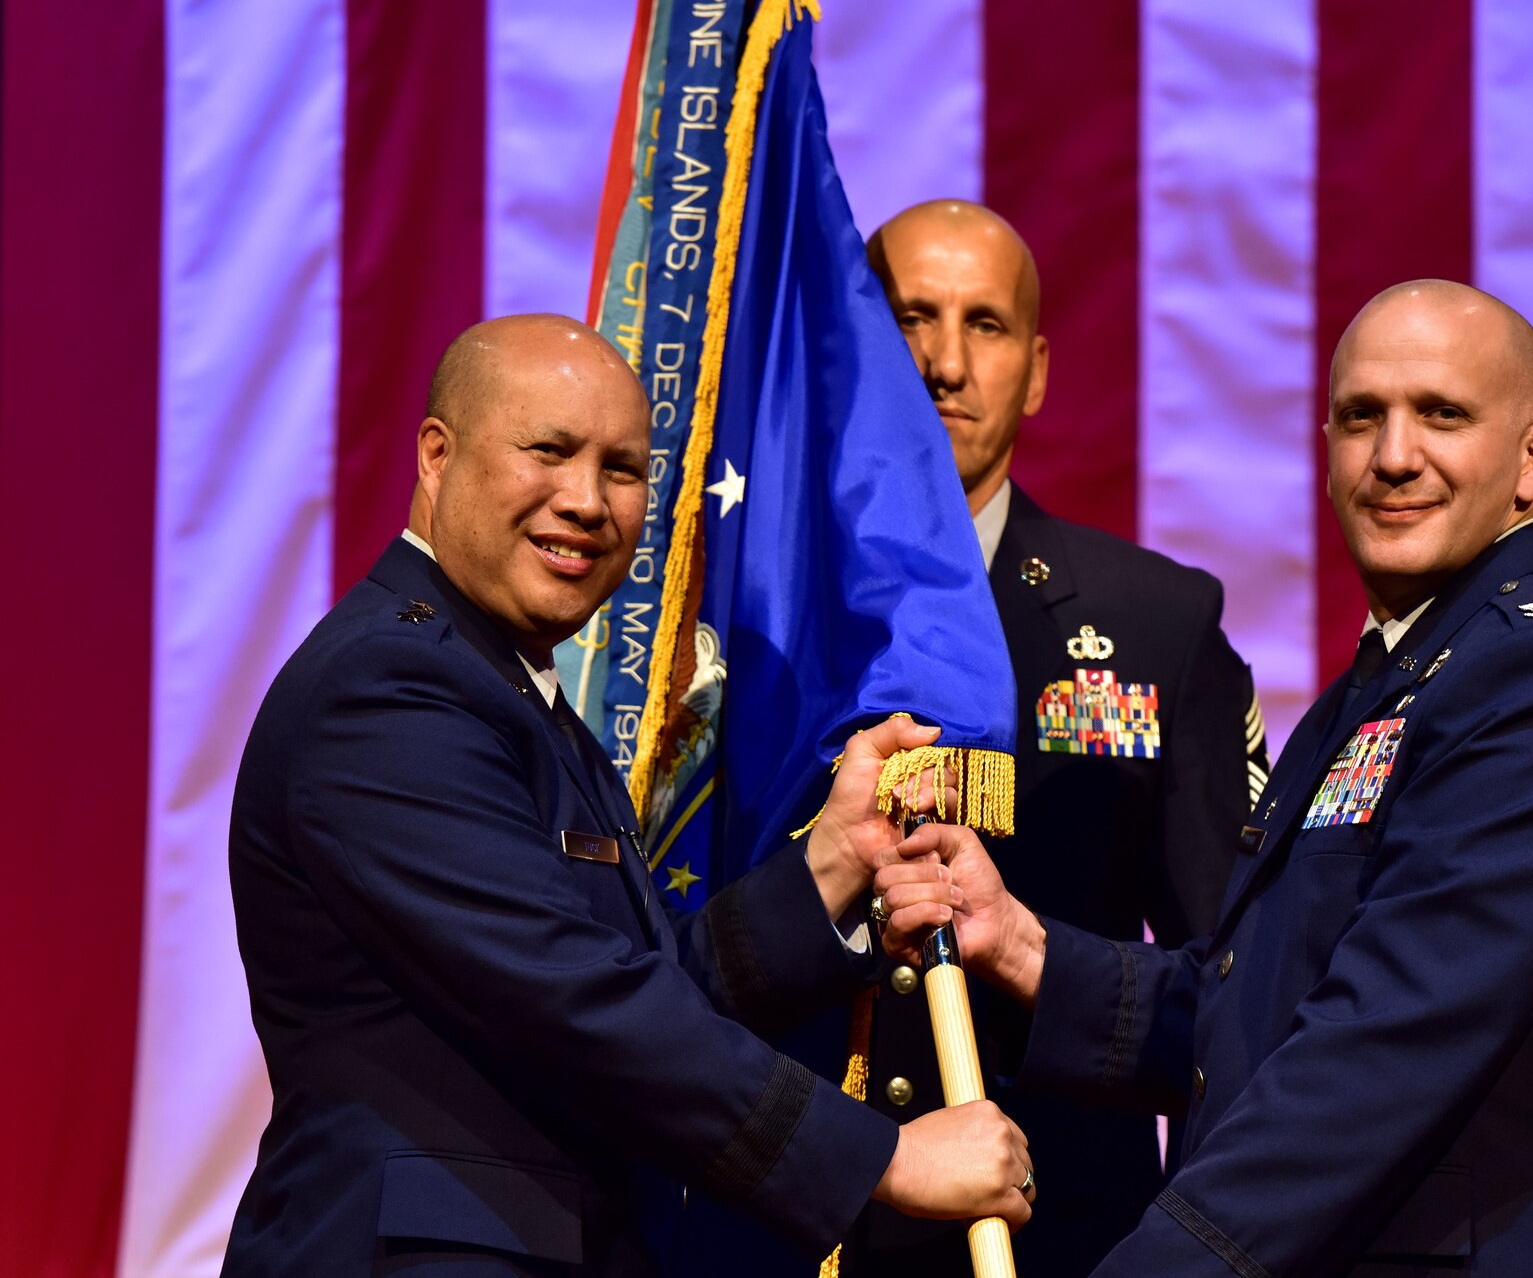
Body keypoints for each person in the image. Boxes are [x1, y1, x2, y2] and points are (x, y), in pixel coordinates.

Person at [882, 280, 1533, 1275]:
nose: (1393, 456)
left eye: (1440, 413)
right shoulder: (1389, 679)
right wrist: (1022, 944)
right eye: (1361, 417)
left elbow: (1374, 1056)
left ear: (1531, 462)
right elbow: (1254, 1004)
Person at [223, 314, 1033, 1277]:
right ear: (437, 455)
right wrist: (884, 1157)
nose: (586, 501)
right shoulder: (390, 688)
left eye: (621, 468)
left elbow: (637, 980)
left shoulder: (512, 689)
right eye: (549, 452)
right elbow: (572, 994)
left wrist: (829, 867)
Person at [841, 200, 1268, 1277]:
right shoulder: (748, 621)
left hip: (1062, 1243)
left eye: (981, 325)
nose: (942, 362)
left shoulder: (1155, 628)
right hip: (793, 1234)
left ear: (1033, 373)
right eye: (909, 318)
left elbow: (1237, 995)